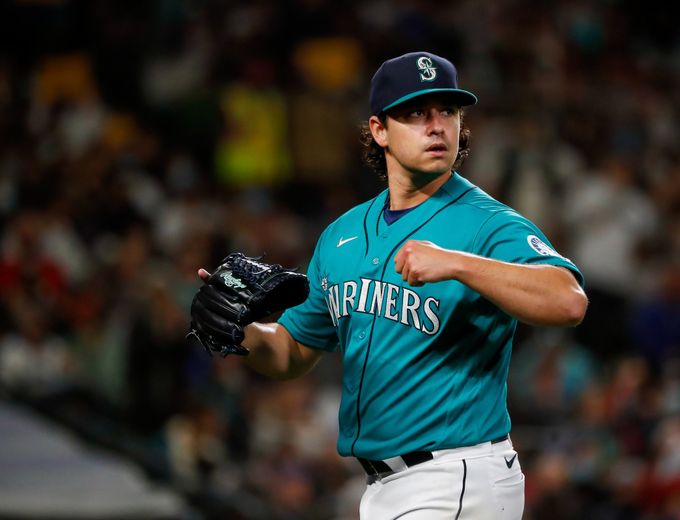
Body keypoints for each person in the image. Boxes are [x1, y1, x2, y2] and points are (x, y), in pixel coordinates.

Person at [198, 51, 587, 519]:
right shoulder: (342, 236)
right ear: (379, 129)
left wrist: (460, 264)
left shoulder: (487, 224)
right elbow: (291, 351)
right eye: (416, 113)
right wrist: (242, 334)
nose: (437, 124)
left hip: (457, 474)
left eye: (448, 110)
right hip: (385, 487)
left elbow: (568, 301)